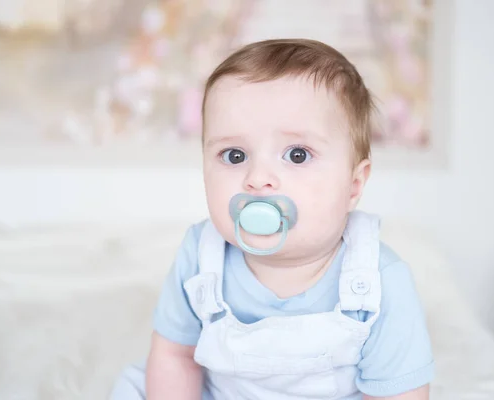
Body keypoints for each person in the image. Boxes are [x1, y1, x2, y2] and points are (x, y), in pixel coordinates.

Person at [110, 38, 434, 400]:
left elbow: (398, 393)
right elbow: (176, 355)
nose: (258, 177)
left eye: (297, 155)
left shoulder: (377, 280)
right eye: (234, 155)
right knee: (136, 385)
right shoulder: (201, 258)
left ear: (353, 185)